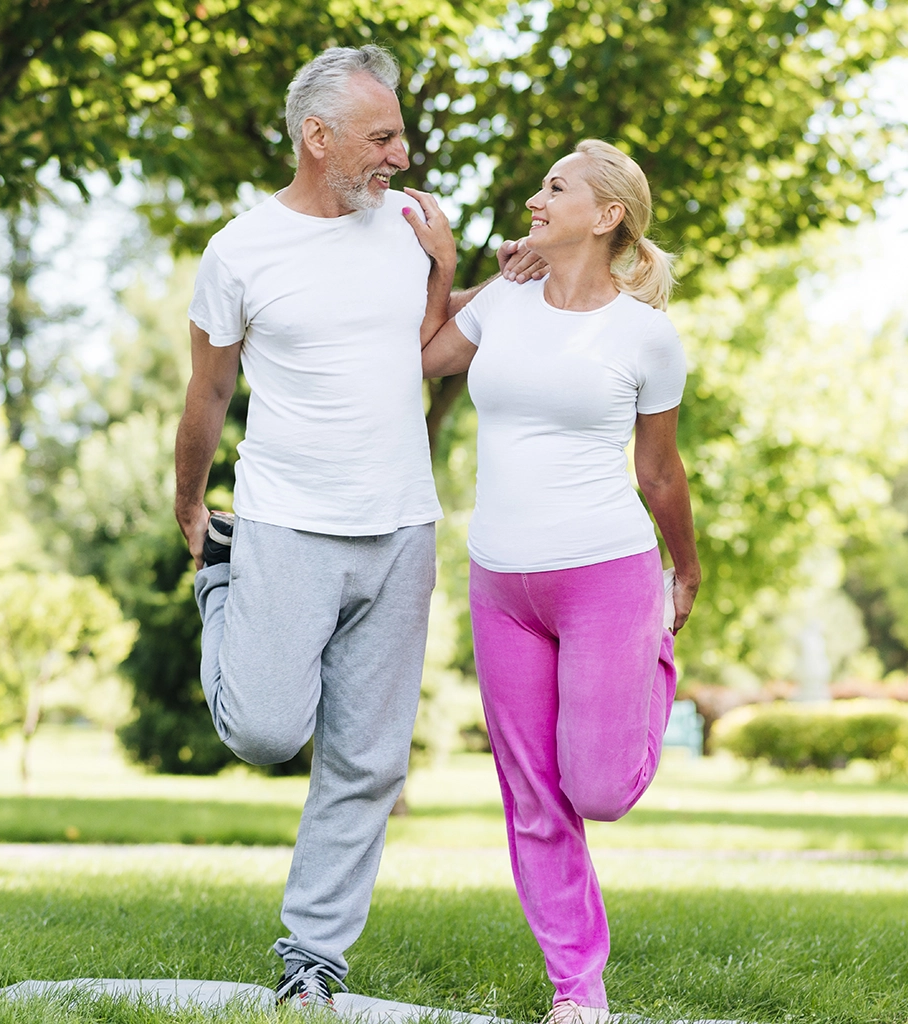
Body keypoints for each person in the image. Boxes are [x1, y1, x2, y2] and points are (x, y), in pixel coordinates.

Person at [174, 45, 542, 1012]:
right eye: (383, 137)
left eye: (402, 135)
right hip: (285, 520)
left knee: (369, 760)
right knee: (262, 730)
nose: (402, 156)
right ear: (317, 136)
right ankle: (223, 592)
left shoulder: (406, 229)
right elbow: (209, 391)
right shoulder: (240, 250)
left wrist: (465, 274)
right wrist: (188, 503)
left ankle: (313, 959)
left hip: (400, 524)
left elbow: (421, 352)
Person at [417, 139, 703, 1024]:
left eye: (554, 188)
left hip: (606, 576)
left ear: (607, 214)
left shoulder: (646, 335)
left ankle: (651, 668)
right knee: (535, 799)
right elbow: (424, 356)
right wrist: (452, 272)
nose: (535, 200)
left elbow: (661, 472)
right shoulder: (504, 301)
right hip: (501, 581)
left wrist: (683, 569)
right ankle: (578, 992)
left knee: (600, 791)